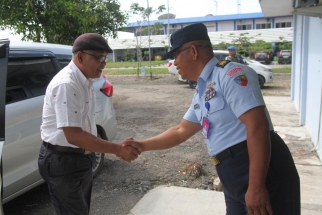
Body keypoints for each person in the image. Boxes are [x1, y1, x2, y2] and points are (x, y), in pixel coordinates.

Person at [123, 23, 300, 215]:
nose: (174, 63)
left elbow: (258, 126)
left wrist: (256, 186)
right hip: (232, 174)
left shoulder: (231, 74)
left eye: (175, 55)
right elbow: (181, 130)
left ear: (193, 51)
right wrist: (141, 145)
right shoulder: (203, 88)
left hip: (257, 169)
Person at [38, 33, 142, 215]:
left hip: (81, 158)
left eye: (105, 58)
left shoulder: (85, 80)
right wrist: (118, 149)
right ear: (80, 57)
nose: (104, 62)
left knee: (81, 210)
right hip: (62, 161)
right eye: (99, 57)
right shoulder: (66, 84)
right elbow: (74, 135)